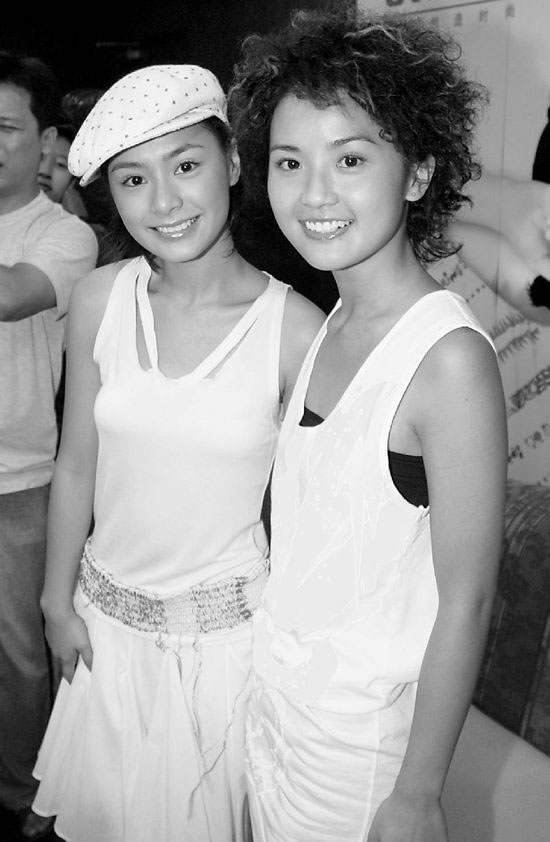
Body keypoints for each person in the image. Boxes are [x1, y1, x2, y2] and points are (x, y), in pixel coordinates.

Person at [228, 8, 508, 841]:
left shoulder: (446, 359)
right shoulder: (333, 322)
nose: (314, 194)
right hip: (275, 712)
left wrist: (418, 794)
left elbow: (469, 600)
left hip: (360, 757)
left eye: (350, 159)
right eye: (290, 162)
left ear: (417, 173)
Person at [31, 64, 324, 842]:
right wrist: (55, 602)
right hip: (103, 630)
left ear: (233, 163)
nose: (163, 202)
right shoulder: (100, 297)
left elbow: (306, 517)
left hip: (226, 653)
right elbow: (76, 463)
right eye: (133, 179)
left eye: (186, 165)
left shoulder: (296, 330)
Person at [0, 51, 98, 841]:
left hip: (21, 481)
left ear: (45, 140)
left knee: (23, 658)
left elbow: (11, 295)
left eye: (4, 127)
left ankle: (24, 786)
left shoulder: (64, 234)